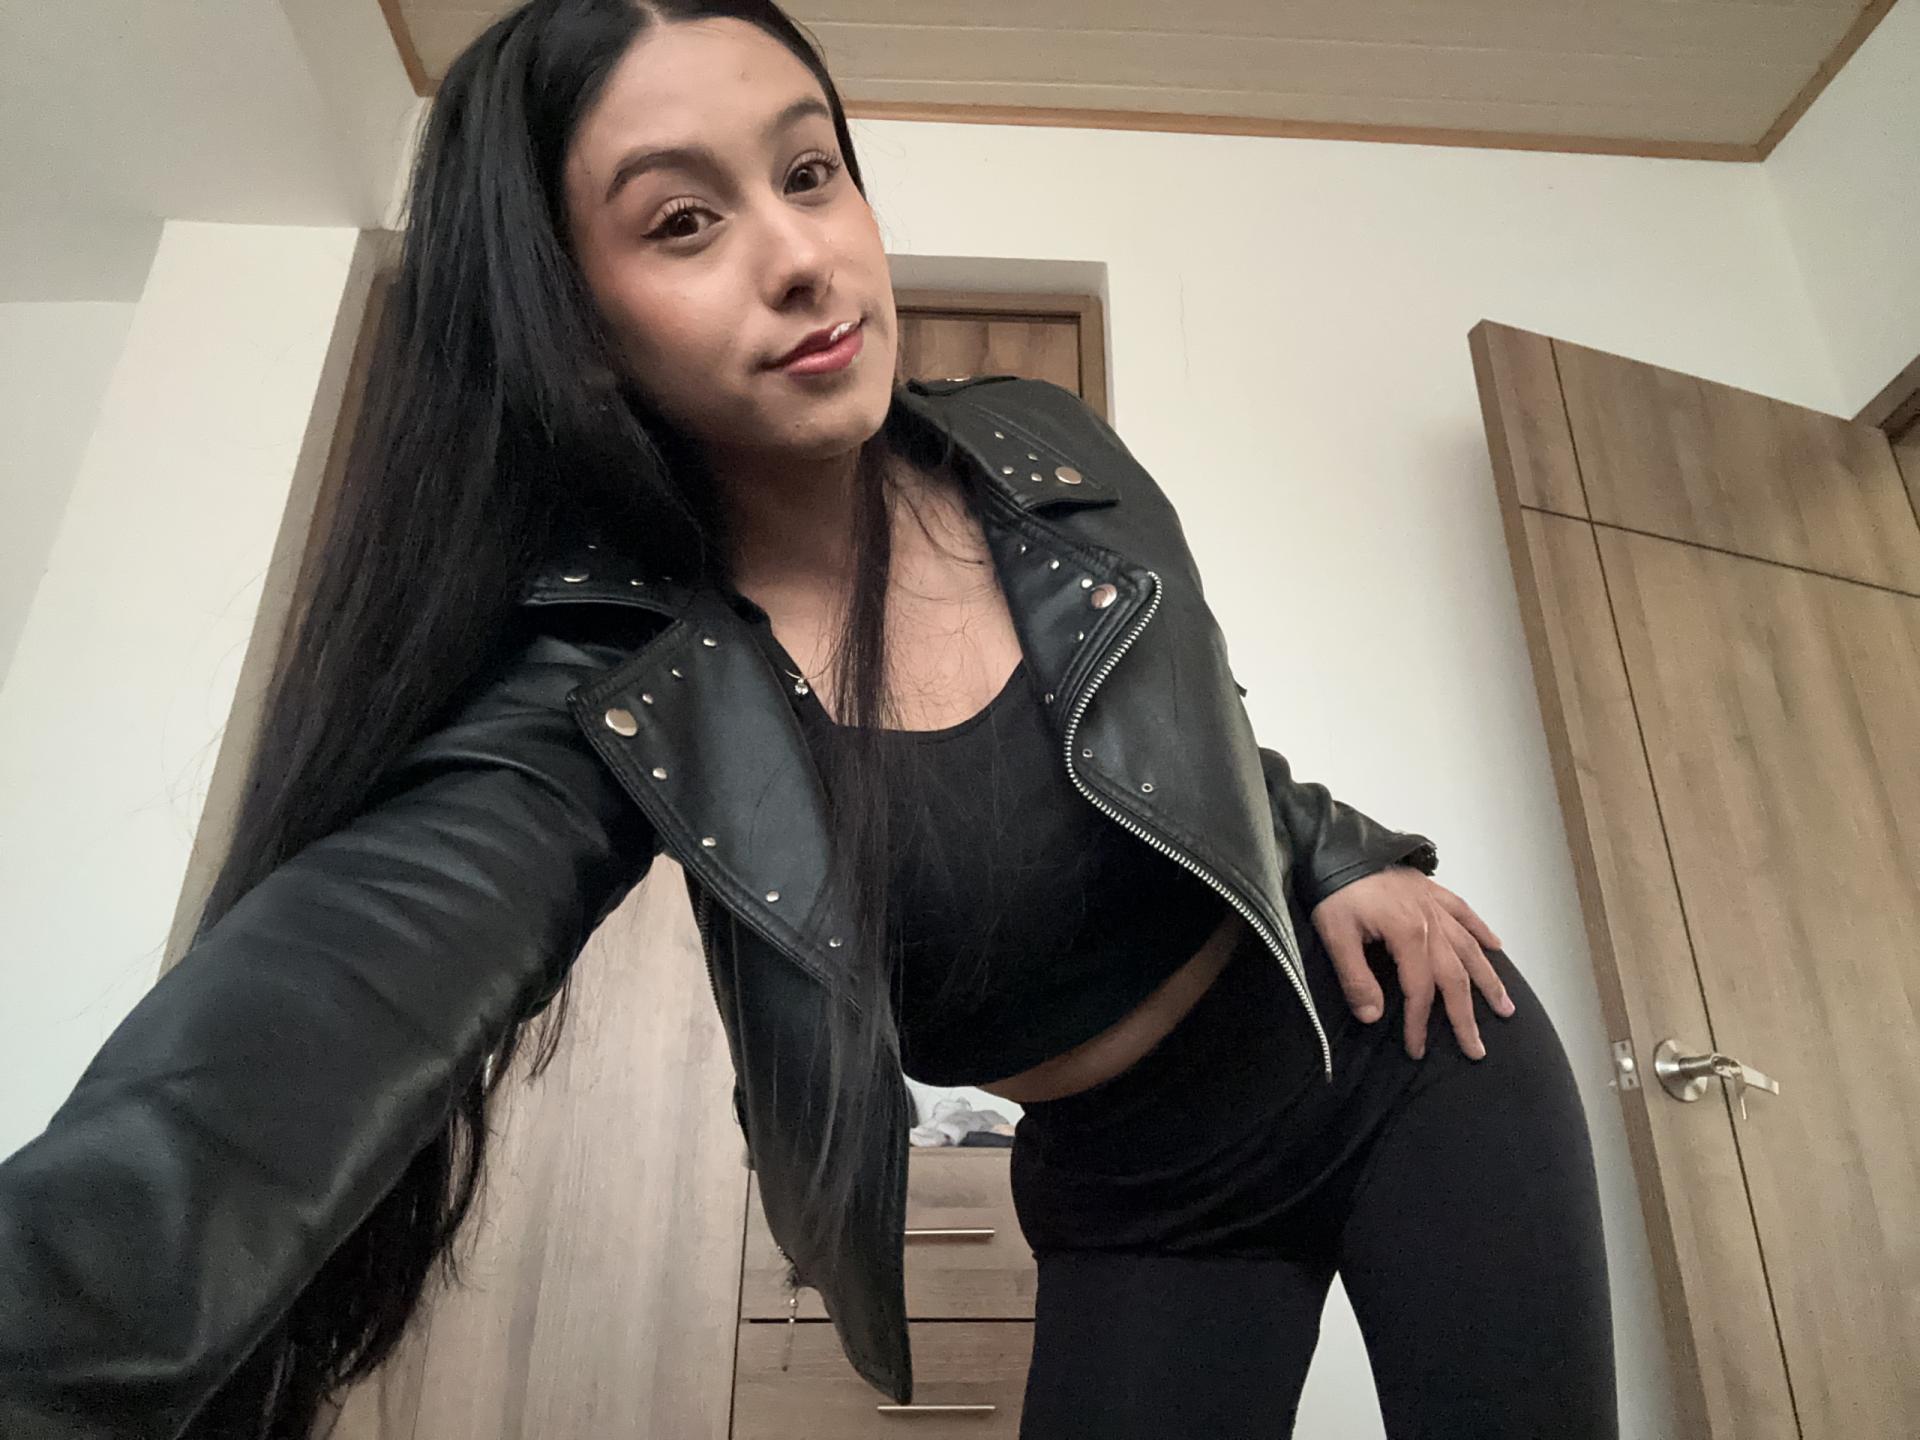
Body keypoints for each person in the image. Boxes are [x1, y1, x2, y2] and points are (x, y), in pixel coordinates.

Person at [0, 2, 1616, 1436]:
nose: (798, 255)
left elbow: (1188, 725)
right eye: (683, 221)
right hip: (1125, 1196)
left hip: (1401, 1061)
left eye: (810, 170)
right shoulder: (612, 685)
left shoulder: (1044, 443)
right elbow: (300, 1028)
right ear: (576, 324)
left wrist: (1345, 850)